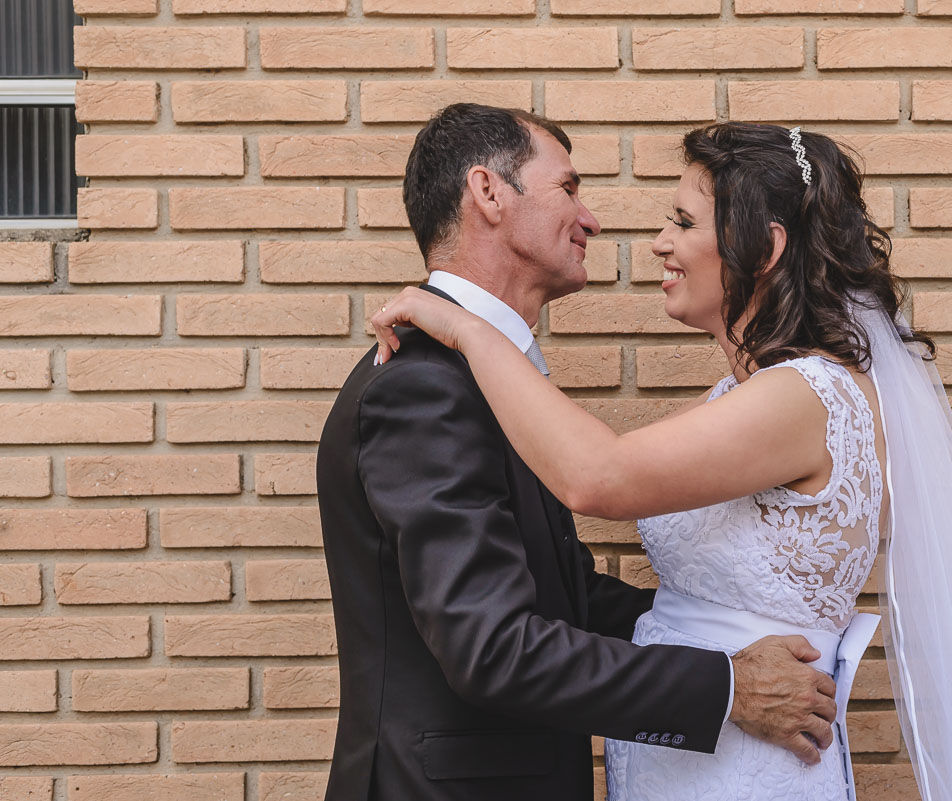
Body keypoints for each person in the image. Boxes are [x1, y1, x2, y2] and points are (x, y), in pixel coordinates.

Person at [372, 121, 952, 801]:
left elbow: (599, 476)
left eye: (685, 222)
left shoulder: (803, 395)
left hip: (745, 774)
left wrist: (467, 332)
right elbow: (681, 602)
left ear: (765, 247)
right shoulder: (740, 394)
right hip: (697, 752)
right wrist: (716, 675)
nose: (659, 242)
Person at [315, 104, 842, 801]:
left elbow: (561, 596)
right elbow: (494, 648)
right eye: (568, 188)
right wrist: (729, 686)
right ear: (489, 193)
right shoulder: (421, 386)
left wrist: (726, 637)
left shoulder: (476, 376)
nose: (592, 219)